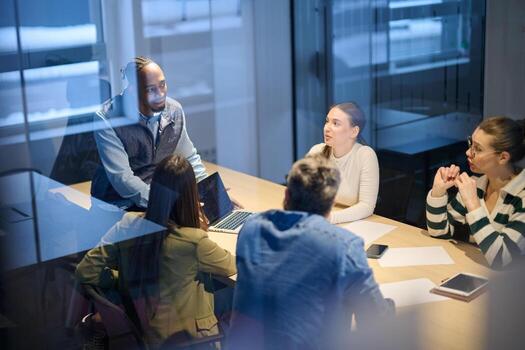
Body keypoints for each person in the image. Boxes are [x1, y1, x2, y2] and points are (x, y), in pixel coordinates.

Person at [227, 155, 394, 350]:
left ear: (286, 195)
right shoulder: (343, 246)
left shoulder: (251, 228)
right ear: (331, 205)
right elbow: (375, 322)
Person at [76, 155, 236, 347]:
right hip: (184, 341)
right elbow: (231, 266)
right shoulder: (193, 240)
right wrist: (202, 229)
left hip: (142, 333)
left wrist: (121, 280)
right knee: (237, 295)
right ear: (190, 195)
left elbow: (85, 270)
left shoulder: (127, 224)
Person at [91, 56, 206, 209]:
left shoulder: (174, 110)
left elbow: (189, 157)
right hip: (119, 204)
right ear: (132, 91)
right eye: (151, 89)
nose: (160, 94)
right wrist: (164, 205)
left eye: (162, 84)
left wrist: (209, 192)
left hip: (158, 197)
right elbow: (122, 178)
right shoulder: (108, 118)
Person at [426, 116, 525, 269]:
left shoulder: (521, 197)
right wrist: (438, 192)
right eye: (471, 144)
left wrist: (473, 204)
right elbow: (440, 231)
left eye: (477, 149)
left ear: (503, 157)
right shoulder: (478, 184)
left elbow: (502, 258)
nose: (468, 152)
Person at [307, 102, 379, 224]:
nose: (327, 128)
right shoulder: (317, 151)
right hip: (322, 218)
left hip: (355, 223)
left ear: (354, 132)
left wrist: (330, 218)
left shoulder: (365, 155)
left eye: (335, 123)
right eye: (327, 121)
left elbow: (367, 206)